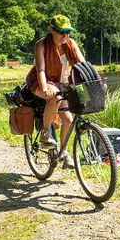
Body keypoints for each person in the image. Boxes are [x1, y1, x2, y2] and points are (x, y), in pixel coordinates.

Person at [24, 15, 85, 168]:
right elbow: (41, 69)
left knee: (68, 120)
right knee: (54, 97)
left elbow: (83, 65)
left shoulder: (71, 44)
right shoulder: (42, 45)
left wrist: (93, 80)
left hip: (62, 83)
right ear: (52, 30)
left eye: (68, 32)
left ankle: (63, 153)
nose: (65, 36)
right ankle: (45, 133)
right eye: (61, 32)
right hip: (40, 81)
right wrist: (44, 89)